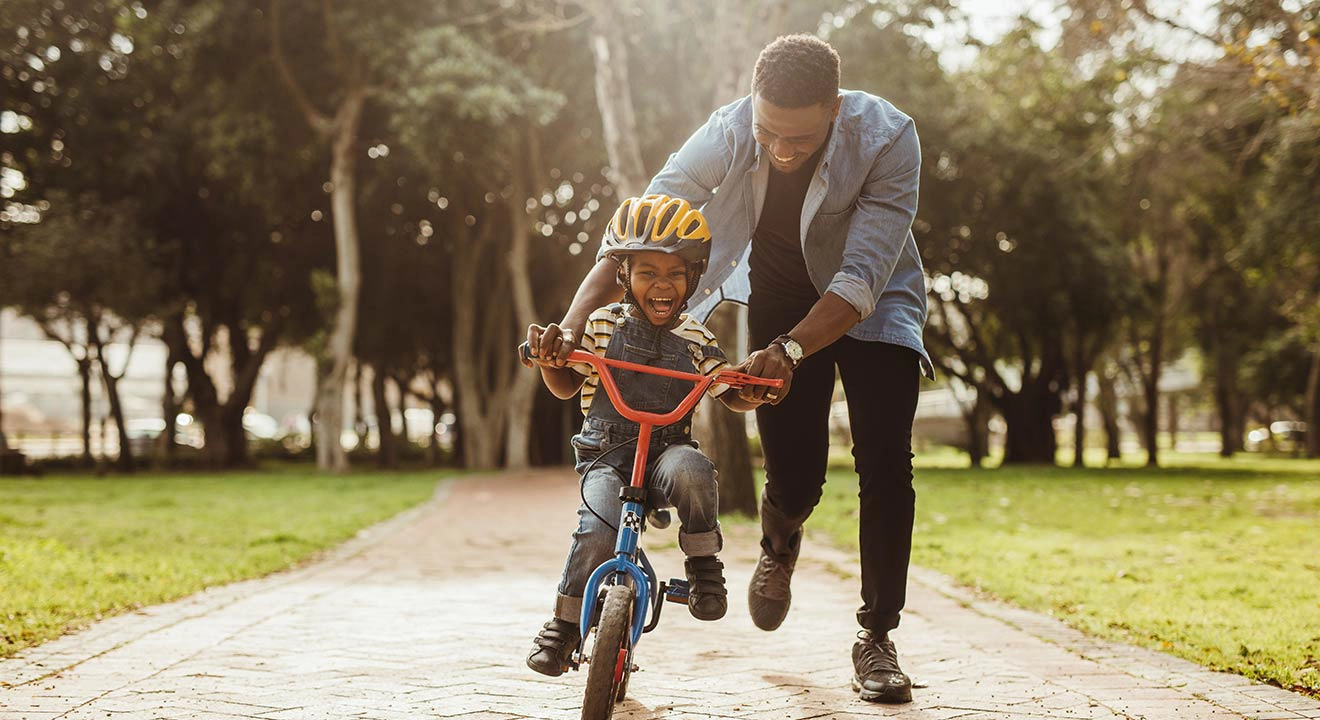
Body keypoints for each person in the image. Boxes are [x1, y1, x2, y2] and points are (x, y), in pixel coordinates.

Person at [542, 35, 934, 703]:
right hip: (780, 300)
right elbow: (645, 226)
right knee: (796, 474)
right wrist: (575, 318)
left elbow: (862, 275)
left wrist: (790, 353)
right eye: (769, 132)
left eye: (800, 138)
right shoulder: (727, 131)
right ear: (752, 107)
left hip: (872, 304)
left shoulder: (889, 137)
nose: (781, 149)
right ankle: (781, 539)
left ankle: (877, 636)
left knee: (885, 460)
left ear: (835, 109)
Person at [522, 194, 766, 678]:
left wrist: (752, 389)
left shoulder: (697, 338)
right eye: (648, 272)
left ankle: (702, 566)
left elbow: (727, 390)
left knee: (694, 471)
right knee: (597, 527)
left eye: (676, 274)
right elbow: (567, 384)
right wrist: (552, 361)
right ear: (624, 276)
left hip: (666, 453)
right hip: (606, 455)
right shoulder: (599, 324)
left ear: (693, 278)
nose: (662, 284)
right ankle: (565, 625)